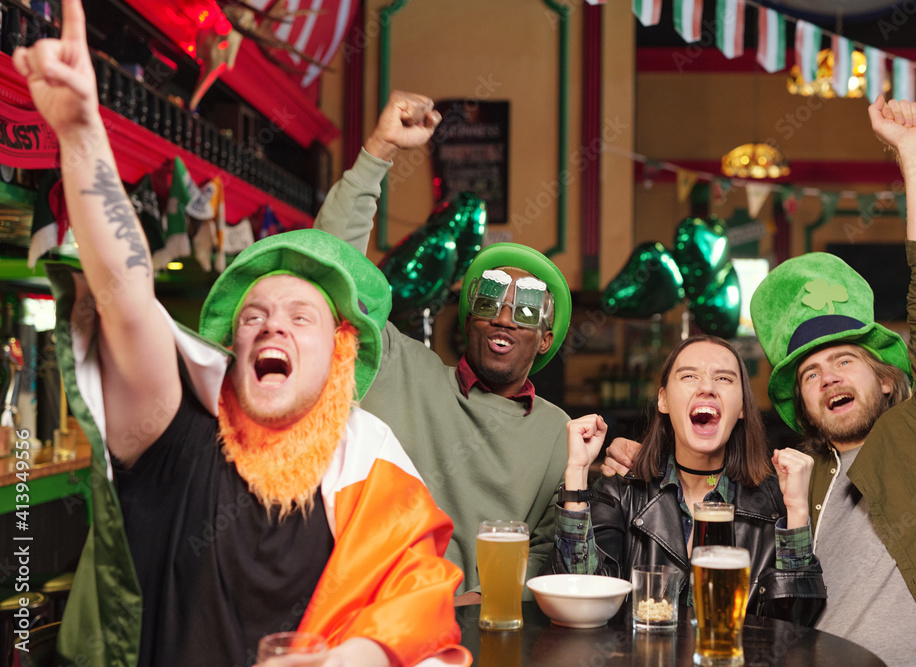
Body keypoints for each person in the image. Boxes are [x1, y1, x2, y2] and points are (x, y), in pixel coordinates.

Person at [14, 2, 467, 666]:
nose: (272, 323)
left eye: (300, 316)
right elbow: (127, 297)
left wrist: (344, 660)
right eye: (253, 315)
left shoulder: (367, 465)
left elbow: (418, 600)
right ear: (232, 348)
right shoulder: (179, 435)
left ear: (341, 355)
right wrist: (82, 133)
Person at [749, 98, 916, 665]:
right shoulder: (797, 483)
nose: (827, 376)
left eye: (843, 360)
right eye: (810, 373)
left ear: (887, 381)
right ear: (803, 406)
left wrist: (915, 158)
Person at [314, 155, 572, 601]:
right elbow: (332, 272)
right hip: (373, 619)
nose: (504, 320)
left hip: (487, 631)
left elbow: (551, 554)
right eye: (489, 302)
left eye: (525, 311)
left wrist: (480, 602)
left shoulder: (560, 434)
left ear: (545, 339)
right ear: (469, 316)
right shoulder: (399, 366)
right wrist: (377, 155)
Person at [545, 335, 826, 623]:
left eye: (725, 379)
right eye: (690, 376)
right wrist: (577, 472)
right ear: (663, 400)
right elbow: (578, 601)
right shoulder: (621, 490)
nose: (707, 387)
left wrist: (797, 512)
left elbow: (796, 626)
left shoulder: (775, 504)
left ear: (742, 406)